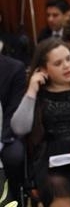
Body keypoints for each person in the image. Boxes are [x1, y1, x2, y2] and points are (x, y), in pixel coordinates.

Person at [10, 38, 70, 207]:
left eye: (68, 59)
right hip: (51, 160)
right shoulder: (37, 96)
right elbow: (19, 128)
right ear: (43, 69)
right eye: (58, 63)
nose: (67, 66)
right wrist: (32, 90)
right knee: (56, 183)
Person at [0, 53, 28, 202]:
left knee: (14, 155)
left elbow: (12, 110)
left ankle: (14, 197)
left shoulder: (14, 68)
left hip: (5, 133)